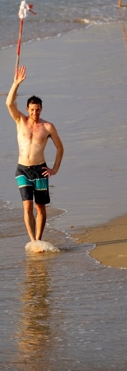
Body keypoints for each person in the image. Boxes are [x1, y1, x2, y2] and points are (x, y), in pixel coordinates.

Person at [6, 66, 64, 242]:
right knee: (27, 206)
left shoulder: (48, 127)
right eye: (32, 110)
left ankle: (39, 239)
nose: (34, 113)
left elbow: (60, 148)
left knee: (40, 208)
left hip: (40, 170)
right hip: (22, 169)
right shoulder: (20, 120)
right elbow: (9, 103)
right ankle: (32, 241)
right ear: (27, 109)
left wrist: (54, 169)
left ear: (41, 109)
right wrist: (15, 83)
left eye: (37, 110)